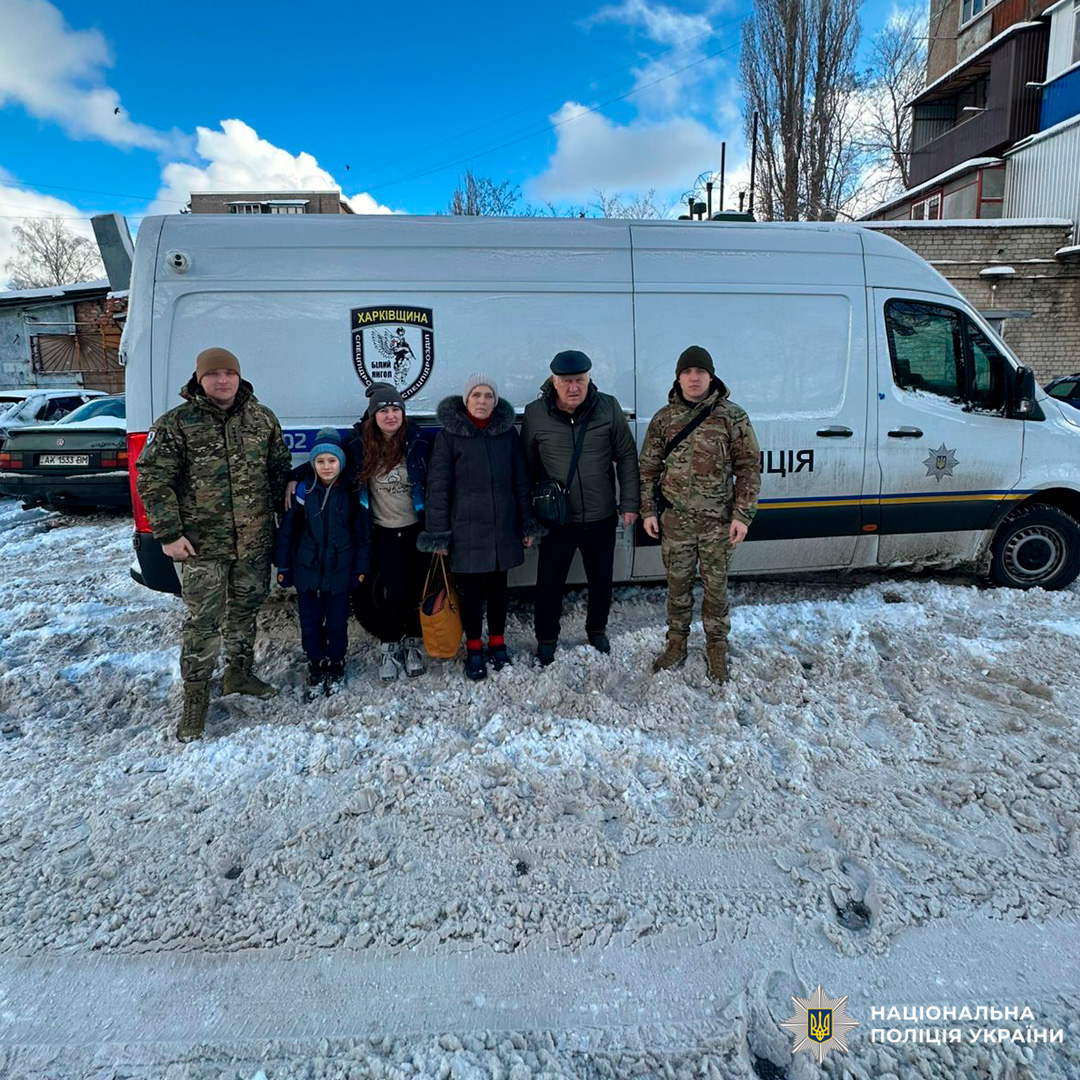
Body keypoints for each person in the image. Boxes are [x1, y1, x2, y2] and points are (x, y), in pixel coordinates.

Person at [136, 346, 291, 741]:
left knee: (245, 612)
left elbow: (278, 474)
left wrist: (287, 524)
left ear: (239, 377)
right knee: (202, 624)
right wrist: (168, 535)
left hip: (254, 541)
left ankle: (239, 673)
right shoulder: (177, 424)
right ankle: (195, 700)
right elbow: (153, 481)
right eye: (214, 374)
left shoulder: (262, 418)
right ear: (199, 379)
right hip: (200, 544)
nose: (223, 380)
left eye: (229, 373)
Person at [638, 345, 761, 683]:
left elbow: (749, 468)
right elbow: (647, 468)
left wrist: (742, 515)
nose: (694, 378)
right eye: (687, 372)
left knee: (716, 589)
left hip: (717, 524)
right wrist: (648, 510)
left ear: (711, 376)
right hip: (675, 521)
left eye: (700, 372)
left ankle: (716, 649)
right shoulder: (665, 419)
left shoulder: (732, 417)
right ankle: (676, 644)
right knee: (677, 588)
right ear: (678, 377)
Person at [521, 350, 639, 665]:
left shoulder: (608, 408)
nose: (574, 388)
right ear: (553, 381)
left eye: (580, 380)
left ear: (589, 379)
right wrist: (528, 521)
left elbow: (626, 456)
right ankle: (546, 639)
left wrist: (629, 502)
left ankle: (597, 630)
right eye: (566, 381)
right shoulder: (535, 414)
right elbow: (525, 470)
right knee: (549, 584)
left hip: (601, 515)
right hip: (558, 519)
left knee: (601, 580)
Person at [420, 375, 540, 680]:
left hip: (503, 528)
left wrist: (527, 523)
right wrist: (439, 535)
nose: (482, 401)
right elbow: (438, 488)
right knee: (472, 594)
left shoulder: (507, 435)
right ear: (466, 400)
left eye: (488, 395)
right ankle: (474, 649)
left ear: (495, 401)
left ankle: (497, 645)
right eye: (476, 395)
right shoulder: (449, 437)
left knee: (500, 591)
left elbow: (520, 480)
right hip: (466, 530)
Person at [273, 428, 365, 694]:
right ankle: (315, 661)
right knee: (310, 622)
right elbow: (287, 533)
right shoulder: (302, 491)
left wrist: (360, 567)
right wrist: (284, 566)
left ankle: (336, 661)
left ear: (341, 463)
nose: (327, 466)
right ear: (312, 463)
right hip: (307, 571)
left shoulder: (350, 492)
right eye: (321, 461)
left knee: (337, 622)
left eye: (332, 461)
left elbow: (361, 534)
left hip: (339, 569)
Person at [355, 382, 432, 681]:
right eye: (383, 410)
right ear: (373, 415)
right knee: (394, 592)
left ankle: (413, 643)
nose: (390, 416)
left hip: (415, 529)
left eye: (396, 410)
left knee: (416, 591)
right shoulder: (359, 446)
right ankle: (389, 644)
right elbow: (326, 460)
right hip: (384, 532)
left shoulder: (417, 443)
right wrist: (296, 478)